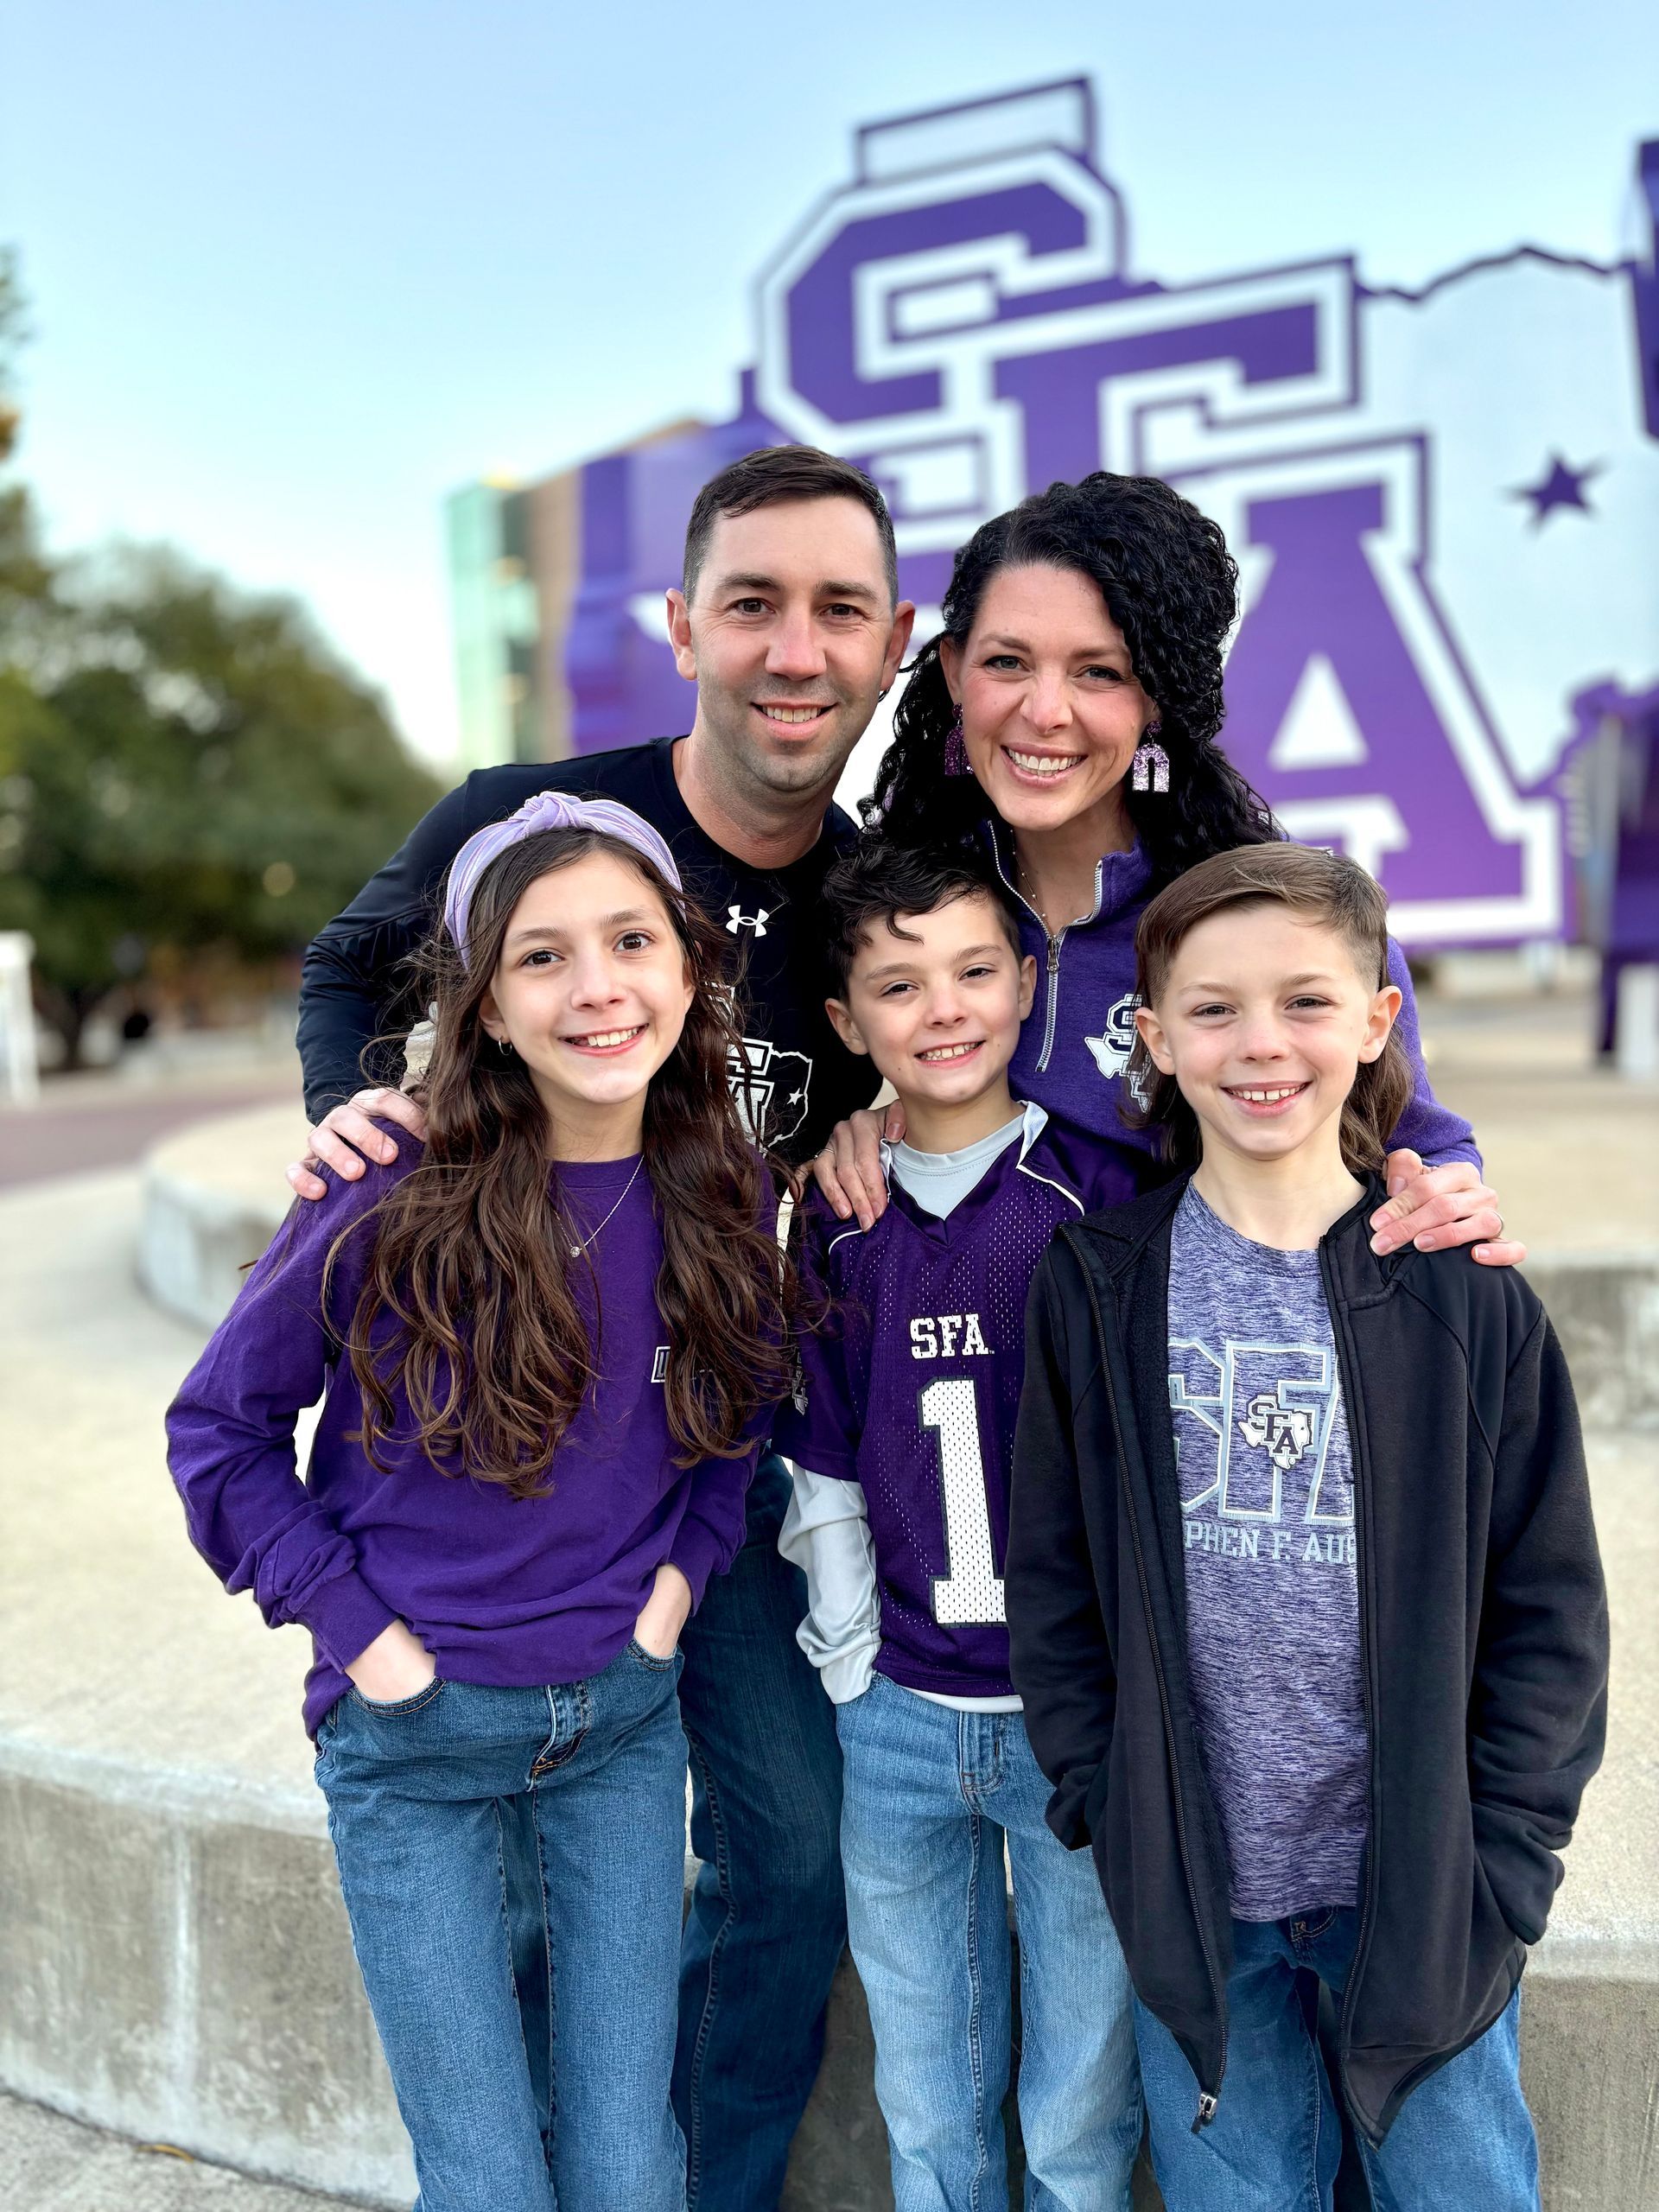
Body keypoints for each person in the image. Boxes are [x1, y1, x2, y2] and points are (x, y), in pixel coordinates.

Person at [286, 445, 915, 2207]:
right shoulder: (536, 820)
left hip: (726, 1451)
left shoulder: (881, 889)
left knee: (791, 1850)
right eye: (754, 603)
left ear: (891, 639)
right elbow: (349, 962)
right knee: (519, 1871)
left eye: (839, 608)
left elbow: (988, 1033)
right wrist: (362, 1121)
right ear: (683, 624)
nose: (796, 649)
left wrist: (901, 1117)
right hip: (515, 1460)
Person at [167, 796, 794, 2211]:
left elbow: (733, 1423)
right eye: (541, 957)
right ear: (489, 1009)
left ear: (689, 971)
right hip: (415, 1749)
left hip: (622, 1737)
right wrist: (364, 1639)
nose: (596, 987)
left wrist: (677, 1589)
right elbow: (219, 1433)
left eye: (631, 941)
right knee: (489, 2177)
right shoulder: (390, 1185)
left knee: (633, 2161)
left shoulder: (723, 1184)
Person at [1006, 842, 1607, 2211]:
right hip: (1201, 1901)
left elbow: (1550, 1608)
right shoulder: (1099, 1289)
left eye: (1306, 1002)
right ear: (1152, 1039)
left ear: (1381, 1018)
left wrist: (1504, 1863)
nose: (1260, 1044)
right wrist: (1111, 1804)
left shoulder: (1464, 1299)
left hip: (1424, 1899)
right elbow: (1054, 1583)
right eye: (1212, 1011)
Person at [813, 473, 1523, 1275]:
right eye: (1008, 662)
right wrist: (874, 1127)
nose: (1045, 712)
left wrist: (1444, 1190)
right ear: (952, 670)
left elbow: (1420, 1143)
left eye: (1099, 672)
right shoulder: (906, 903)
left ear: (1157, 699)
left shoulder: (1268, 910)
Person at [774, 841, 1143, 2212]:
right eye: (898, 984)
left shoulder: (1096, 1197)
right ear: (845, 1021)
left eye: (976, 971)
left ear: (1030, 982)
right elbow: (821, 1456)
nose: (944, 1011)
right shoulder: (838, 1218)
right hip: (902, 1722)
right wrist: (855, 1662)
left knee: (1077, 2112)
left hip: (1068, 1722)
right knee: (929, 2102)